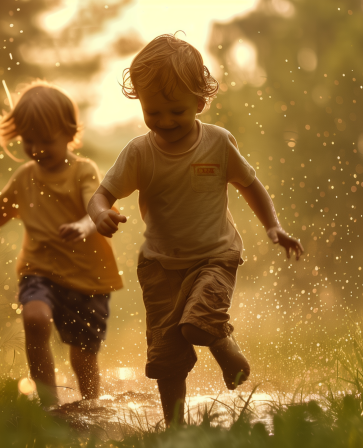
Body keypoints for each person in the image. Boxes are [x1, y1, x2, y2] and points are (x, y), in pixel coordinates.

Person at [87, 34, 304, 425]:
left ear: (200, 102)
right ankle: (176, 429)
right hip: (158, 266)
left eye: (176, 112)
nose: (165, 122)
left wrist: (273, 226)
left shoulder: (217, 143)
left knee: (197, 324)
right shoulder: (139, 152)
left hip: (215, 257)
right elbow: (101, 195)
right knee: (165, 356)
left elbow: (249, 185)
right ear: (140, 103)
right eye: (153, 113)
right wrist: (101, 213)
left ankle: (222, 343)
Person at [0, 81, 123, 405]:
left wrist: (83, 226)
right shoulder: (25, 177)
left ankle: (91, 409)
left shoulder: (83, 171)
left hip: (88, 278)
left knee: (82, 357)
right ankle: (49, 405)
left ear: (69, 134)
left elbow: (94, 206)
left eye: (46, 140)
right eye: (29, 140)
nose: (37, 148)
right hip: (40, 270)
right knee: (35, 318)